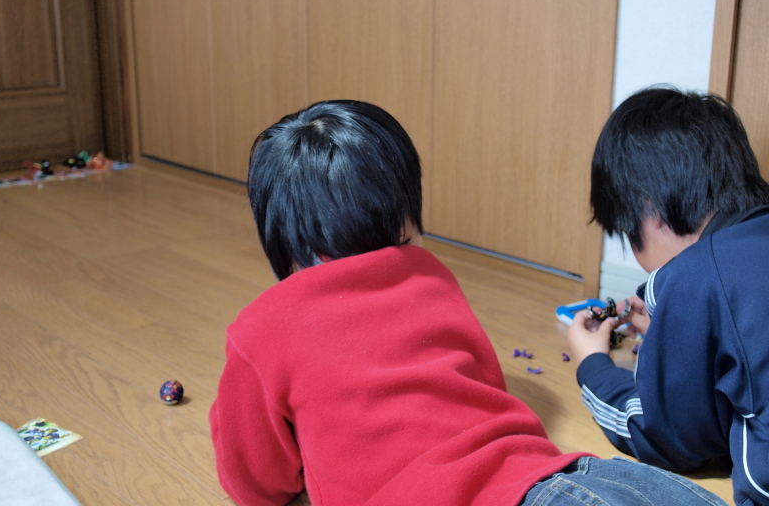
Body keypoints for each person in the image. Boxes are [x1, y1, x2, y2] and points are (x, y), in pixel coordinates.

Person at [210, 99, 728, 506]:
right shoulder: (430, 277)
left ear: (280, 238)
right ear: (404, 217)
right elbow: (485, 383)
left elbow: (254, 482)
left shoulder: (260, 329)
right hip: (573, 476)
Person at [568, 87, 769, 506]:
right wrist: (679, 333)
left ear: (651, 211)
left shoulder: (690, 276)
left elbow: (668, 438)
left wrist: (592, 365)